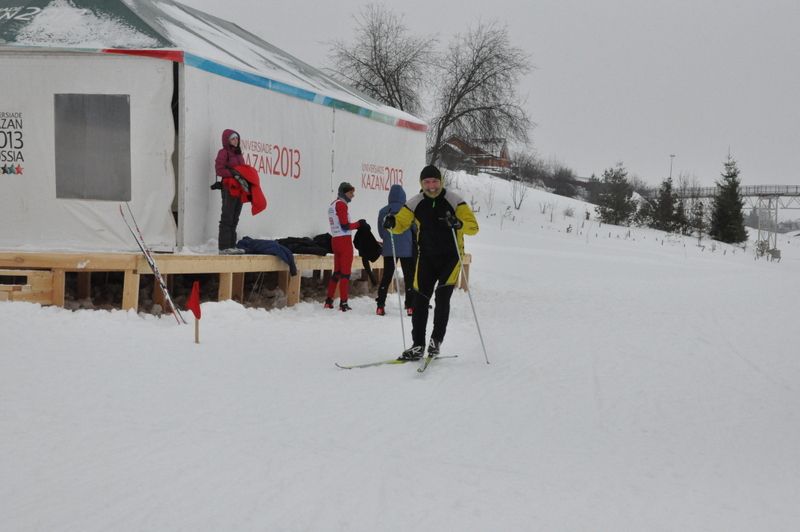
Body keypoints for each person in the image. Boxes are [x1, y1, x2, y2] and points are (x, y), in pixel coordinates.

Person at [384, 165, 479, 360]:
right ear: (422, 183)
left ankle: (436, 341)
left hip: (451, 257)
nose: (431, 186)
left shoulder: (454, 201)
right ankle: (418, 345)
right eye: (427, 182)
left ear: (440, 181)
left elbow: (473, 227)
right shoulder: (415, 202)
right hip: (426, 258)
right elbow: (401, 223)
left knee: (442, 297)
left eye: (434, 181)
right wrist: (392, 222)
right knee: (420, 299)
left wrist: (459, 224)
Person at [325, 182, 367, 312]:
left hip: (335, 240)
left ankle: (329, 301)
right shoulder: (342, 205)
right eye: (350, 193)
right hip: (344, 242)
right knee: (345, 274)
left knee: (336, 272)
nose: (352, 195)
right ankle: (343, 303)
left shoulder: (333, 204)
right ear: (344, 192)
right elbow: (345, 225)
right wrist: (359, 224)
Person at [376, 184, 416, 316]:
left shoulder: (383, 211)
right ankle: (410, 306)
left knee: (386, 277)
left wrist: (387, 238)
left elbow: (381, 232)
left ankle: (380, 305)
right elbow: (415, 229)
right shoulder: (408, 211)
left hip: (389, 249)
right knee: (409, 277)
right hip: (407, 249)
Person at [214, 129, 246, 254]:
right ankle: (224, 247)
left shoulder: (239, 154)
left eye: (237, 138)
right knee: (227, 216)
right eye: (233, 138)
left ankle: (232, 246)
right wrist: (233, 174)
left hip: (239, 188)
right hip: (228, 188)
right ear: (227, 140)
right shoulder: (223, 153)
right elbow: (219, 170)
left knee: (235, 217)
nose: (236, 140)